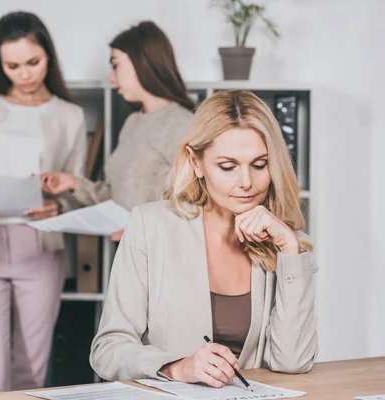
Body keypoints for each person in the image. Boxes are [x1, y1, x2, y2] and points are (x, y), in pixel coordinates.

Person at [90, 90, 318, 385]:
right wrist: (176, 367)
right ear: (196, 163)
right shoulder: (152, 225)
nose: (246, 183)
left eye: (259, 165)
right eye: (228, 167)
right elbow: (107, 350)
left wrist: (290, 250)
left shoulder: (286, 243)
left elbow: (293, 362)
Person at [0, 11, 86, 394]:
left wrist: (57, 207)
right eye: (12, 65)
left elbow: (77, 189)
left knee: (32, 370)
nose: (24, 74)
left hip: (40, 247)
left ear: (49, 57)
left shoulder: (70, 116)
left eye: (33, 62)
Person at [41, 21, 195, 242]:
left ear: (142, 61)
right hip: (128, 255)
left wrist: (147, 236)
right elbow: (120, 197)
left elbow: (194, 208)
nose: (111, 79)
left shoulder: (184, 125)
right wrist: (73, 184)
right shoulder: (133, 122)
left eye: (116, 65)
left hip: (161, 259)